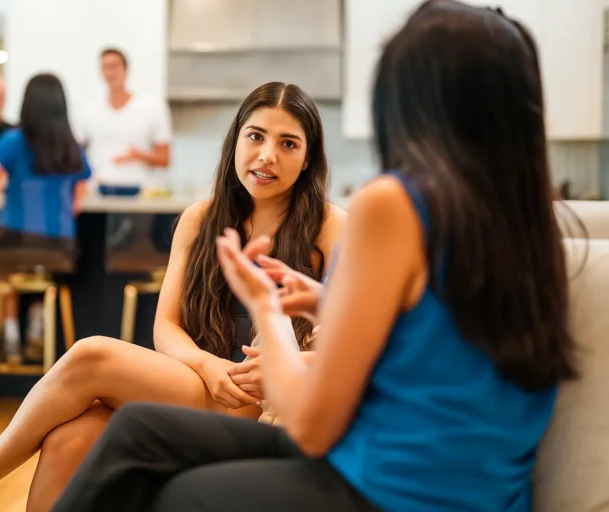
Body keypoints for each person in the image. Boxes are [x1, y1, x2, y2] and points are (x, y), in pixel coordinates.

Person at [47, 2, 581, 511]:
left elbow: (311, 424)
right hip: (479, 492)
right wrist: (330, 304)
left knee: (177, 492)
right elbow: (439, 346)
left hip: (387, 487)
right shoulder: (531, 224)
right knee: (138, 429)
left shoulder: (391, 204)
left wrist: (266, 308)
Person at [0, 81, 347, 512]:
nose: (267, 155)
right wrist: (206, 365)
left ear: (308, 158)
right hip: (201, 382)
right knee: (71, 435)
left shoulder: (332, 227)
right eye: (256, 136)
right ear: (236, 139)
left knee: (91, 355)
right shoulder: (200, 219)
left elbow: (354, 344)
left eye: (288, 143)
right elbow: (166, 328)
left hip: (266, 404)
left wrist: (293, 364)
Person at [0, 73, 92, 362]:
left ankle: (9, 335)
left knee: (3, 263)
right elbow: (80, 192)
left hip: (15, 242)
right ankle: (37, 324)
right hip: (60, 247)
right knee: (41, 271)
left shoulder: (15, 141)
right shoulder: (71, 145)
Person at [79, 47, 172, 194]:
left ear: (126, 70)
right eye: (105, 67)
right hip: (97, 193)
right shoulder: (87, 111)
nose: (110, 72)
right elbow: (78, 156)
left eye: (114, 66)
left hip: (140, 194)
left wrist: (139, 156)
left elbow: (165, 159)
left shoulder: (153, 108)